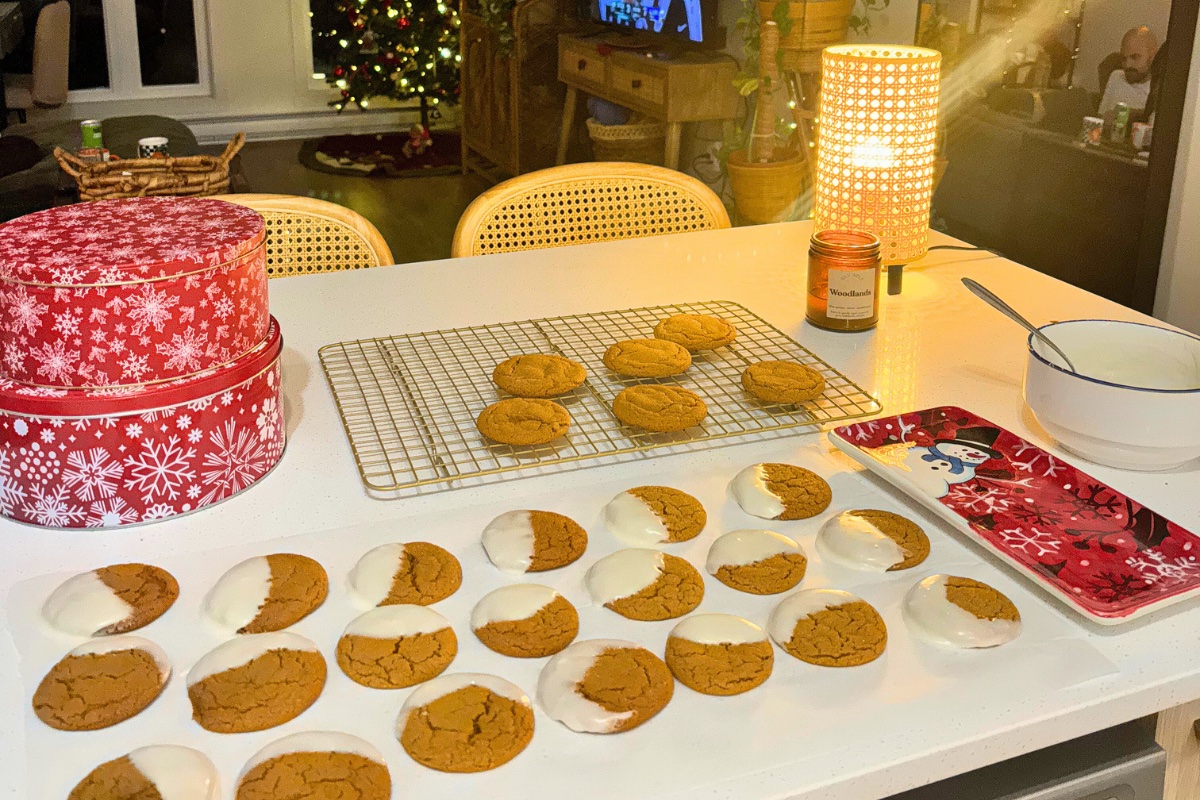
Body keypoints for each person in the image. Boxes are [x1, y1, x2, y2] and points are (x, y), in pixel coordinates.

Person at [1099, 26, 1159, 117]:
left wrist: (1129, 115)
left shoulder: (1159, 87)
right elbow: (1100, 116)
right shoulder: (1116, 76)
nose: (1127, 65)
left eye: (1135, 57)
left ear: (1152, 55)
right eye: (1123, 58)